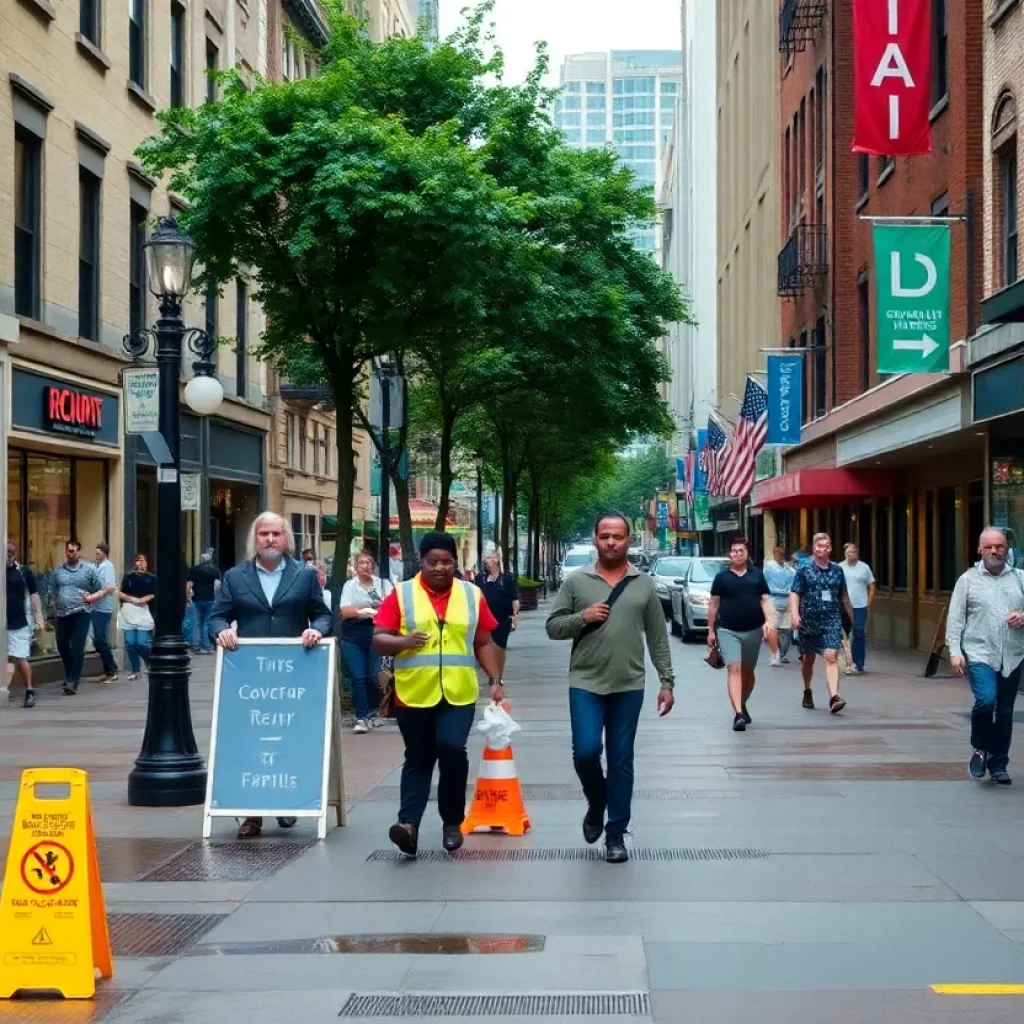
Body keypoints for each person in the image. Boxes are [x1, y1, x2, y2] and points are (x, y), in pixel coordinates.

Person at [546, 513, 675, 864]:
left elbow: (658, 637)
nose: (611, 542)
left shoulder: (643, 583)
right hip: (585, 682)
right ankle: (597, 800)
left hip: (628, 684)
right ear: (595, 539)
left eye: (618, 536)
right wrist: (582, 618)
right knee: (586, 752)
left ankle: (616, 832)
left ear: (628, 540)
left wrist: (667, 680)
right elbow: (553, 627)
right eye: (605, 536)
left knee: (621, 760)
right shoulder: (576, 582)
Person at [373, 531, 505, 857]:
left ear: (455, 563)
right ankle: (408, 826)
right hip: (413, 693)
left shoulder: (472, 595)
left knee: (451, 749)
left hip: (458, 694)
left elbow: (484, 641)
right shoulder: (402, 594)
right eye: (433, 562)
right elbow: (378, 638)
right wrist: (403, 642)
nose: (440, 568)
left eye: (447, 562)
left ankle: (451, 822)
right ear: (421, 562)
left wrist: (495, 680)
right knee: (418, 757)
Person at [209, 511, 333, 838]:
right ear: (256, 539)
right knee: (250, 743)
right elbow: (217, 617)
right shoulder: (236, 577)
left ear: (286, 539)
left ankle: (289, 803)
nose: (270, 540)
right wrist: (222, 630)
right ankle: (250, 815)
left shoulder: (304, 575)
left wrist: (317, 632)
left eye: (276, 534)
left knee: (290, 740)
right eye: (264, 534)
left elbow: (323, 616)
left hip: (294, 676)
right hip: (249, 679)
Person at [946, 527, 1024, 785]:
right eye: (989, 547)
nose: (994, 551)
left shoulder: (1020, 579)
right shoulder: (967, 580)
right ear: (979, 549)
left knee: (1004, 713)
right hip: (980, 654)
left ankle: (998, 763)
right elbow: (955, 620)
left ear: (1006, 548)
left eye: (999, 546)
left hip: (1013, 655)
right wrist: (956, 652)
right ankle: (980, 748)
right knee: (986, 701)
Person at [708, 537, 776, 732]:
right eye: (734, 551)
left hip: (753, 630)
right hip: (728, 629)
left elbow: (765, 599)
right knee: (734, 669)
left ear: (747, 553)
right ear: (729, 554)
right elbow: (713, 605)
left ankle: (742, 702)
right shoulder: (721, 578)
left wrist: (769, 622)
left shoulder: (757, 575)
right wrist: (711, 630)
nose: (737, 554)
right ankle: (738, 714)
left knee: (748, 673)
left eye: (741, 551)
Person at [789, 533, 853, 715]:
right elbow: (794, 593)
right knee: (808, 659)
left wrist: (853, 619)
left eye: (826, 546)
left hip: (831, 619)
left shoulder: (837, 571)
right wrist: (795, 615)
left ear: (830, 548)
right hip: (808, 620)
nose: (822, 550)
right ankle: (807, 690)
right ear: (814, 548)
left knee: (831, 656)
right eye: (819, 546)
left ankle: (834, 697)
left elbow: (844, 596)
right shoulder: (804, 570)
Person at [339, 551, 392, 733]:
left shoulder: (383, 584)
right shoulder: (350, 585)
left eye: (369, 562)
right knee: (358, 676)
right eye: (362, 563)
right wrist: (365, 608)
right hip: (353, 635)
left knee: (372, 676)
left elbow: (391, 606)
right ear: (355, 566)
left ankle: (373, 712)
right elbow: (345, 611)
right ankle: (360, 717)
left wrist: (369, 608)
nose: (366, 566)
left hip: (375, 633)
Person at [50, 541, 106, 696]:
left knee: (77, 645)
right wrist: (52, 608)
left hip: (82, 612)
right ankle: (70, 672)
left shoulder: (88, 570)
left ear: (79, 552)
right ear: (65, 552)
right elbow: (53, 591)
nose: (72, 553)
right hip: (62, 614)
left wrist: (92, 597)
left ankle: (73, 681)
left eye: (75, 551)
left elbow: (101, 589)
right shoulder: (58, 571)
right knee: (62, 644)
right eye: (69, 550)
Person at [6, 538, 43, 708]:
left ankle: (29, 690)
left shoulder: (23, 571)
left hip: (18, 620)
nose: (9, 555)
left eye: (11, 552)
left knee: (20, 657)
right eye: (6, 552)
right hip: (2, 621)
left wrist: (38, 620)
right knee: (6, 659)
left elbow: (34, 595)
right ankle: (5, 690)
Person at [475, 550, 520, 677]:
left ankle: (498, 675)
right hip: (485, 618)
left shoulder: (507, 578)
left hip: (503, 619)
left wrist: (515, 616)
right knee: (486, 646)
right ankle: (491, 674)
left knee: (499, 647)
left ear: (498, 560)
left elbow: (515, 599)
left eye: (493, 558)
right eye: (488, 558)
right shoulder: (480, 578)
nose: (490, 560)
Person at [118, 554, 156, 679]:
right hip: (129, 610)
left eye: (142, 560)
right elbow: (120, 593)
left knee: (141, 643)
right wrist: (132, 600)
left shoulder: (151, 578)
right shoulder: (128, 577)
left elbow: (155, 593)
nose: (139, 563)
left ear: (146, 563)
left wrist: (146, 598)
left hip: (145, 611)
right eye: (137, 561)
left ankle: (150, 662)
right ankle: (135, 670)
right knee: (130, 643)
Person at [840, 543, 875, 674]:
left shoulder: (864, 568)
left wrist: (869, 603)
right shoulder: (839, 567)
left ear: (857, 553)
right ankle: (846, 661)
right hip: (843, 607)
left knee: (859, 633)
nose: (850, 555)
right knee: (843, 634)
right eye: (848, 553)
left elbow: (871, 585)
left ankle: (858, 663)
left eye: (853, 553)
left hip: (860, 605)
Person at [90, 542, 120, 683]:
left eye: (98, 553)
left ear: (104, 553)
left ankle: (112, 669)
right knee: (97, 639)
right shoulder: (95, 566)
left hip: (103, 608)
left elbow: (110, 587)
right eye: (95, 552)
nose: (96, 555)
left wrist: (95, 596)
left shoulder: (108, 566)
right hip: (94, 607)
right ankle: (108, 669)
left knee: (100, 639)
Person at [763, 545, 796, 666]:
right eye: (779, 554)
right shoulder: (771, 568)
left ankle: (778, 655)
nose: (780, 556)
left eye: (782, 554)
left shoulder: (787, 570)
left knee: (783, 630)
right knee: (777, 630)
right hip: (776, 600)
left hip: (783, 600)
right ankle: (777, 655)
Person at [186, 550, 221, 654]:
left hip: (197, 599)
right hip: (210, 599)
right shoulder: (214, 570)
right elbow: (218, 585)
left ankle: (196, 645)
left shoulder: (194, 570)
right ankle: (207, 645)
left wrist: (188, 596)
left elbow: (189, 584)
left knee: (195, 622)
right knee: (205, 623)